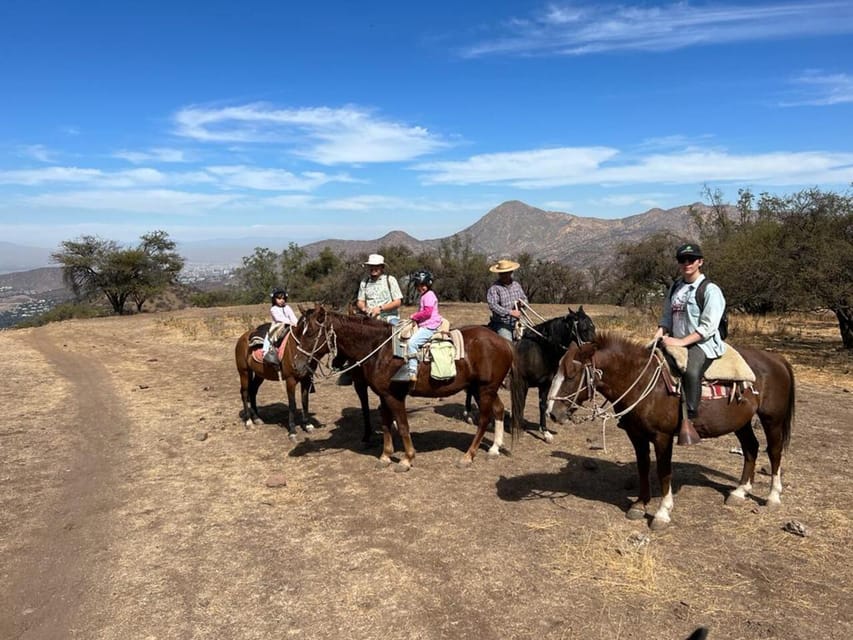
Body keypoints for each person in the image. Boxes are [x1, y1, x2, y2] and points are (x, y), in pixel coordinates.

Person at [654, 243, 727, 445]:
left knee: (691, 371)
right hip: (675, 340)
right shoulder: (676, 287)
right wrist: (659, 333)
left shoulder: (710, 290)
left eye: (691, 259)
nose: (686, 263)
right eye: (682, 260)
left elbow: (708, 326)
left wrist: (681, 342)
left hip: (702, 344)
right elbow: (667, 315)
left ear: (700, 262)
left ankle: (690, 419)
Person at [406, 270, 443, 384]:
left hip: (430, 326)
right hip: (425, 324)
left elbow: (427, 312)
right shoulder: (425, 295)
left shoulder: (429, 295)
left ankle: (412, 371)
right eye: (418, 285)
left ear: (428, 284)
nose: (420, 287)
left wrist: (414, 316)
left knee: (412, 343)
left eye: (423, 285)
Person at [487, 259, 528, 341]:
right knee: (508, 343)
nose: (504, 275)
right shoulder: (494, 288)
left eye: (507, 273)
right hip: (502, 323)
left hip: (518, 321)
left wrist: (523, 303)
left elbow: (524, 298)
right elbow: (493, 306)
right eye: (502, 273)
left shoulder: (516, 285)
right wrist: (510, 312)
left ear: (511, 272)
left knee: (529, 338)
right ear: (499, 274)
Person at [357, 254, 403, 325]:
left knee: (399, 330)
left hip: (389, 318)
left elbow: (397, 302)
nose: (373, 268)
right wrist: (364, 308)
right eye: (371, 266)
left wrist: (381, 308)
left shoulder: (390, 280)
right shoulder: (364, 282)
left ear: (382, 267)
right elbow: (360, 301)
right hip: (370, 318)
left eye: (377, 266)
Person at [263, 288, 297, 366]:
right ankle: (265, 352)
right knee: (270, 336)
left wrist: (295, 323)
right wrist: (290, 322)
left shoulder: (287, 307)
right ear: (274, 299)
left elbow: (292, 316)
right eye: (279, 298)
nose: (282, 300)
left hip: (290, 325)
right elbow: (279, 319)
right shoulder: (273, 309)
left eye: (283, 298)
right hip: (278, 326)